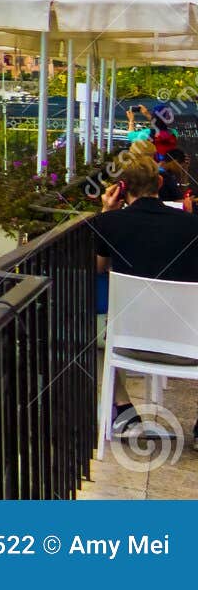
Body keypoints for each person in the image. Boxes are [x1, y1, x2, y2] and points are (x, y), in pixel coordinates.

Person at [90, 154, 198, 434]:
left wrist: (106, 214)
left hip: (128, 345)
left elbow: (96, 268)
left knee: (91, 327)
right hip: (190, 350)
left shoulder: (110, 224)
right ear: (160, 182)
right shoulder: (192, 226)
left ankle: (125, 412)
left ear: (122, 188)